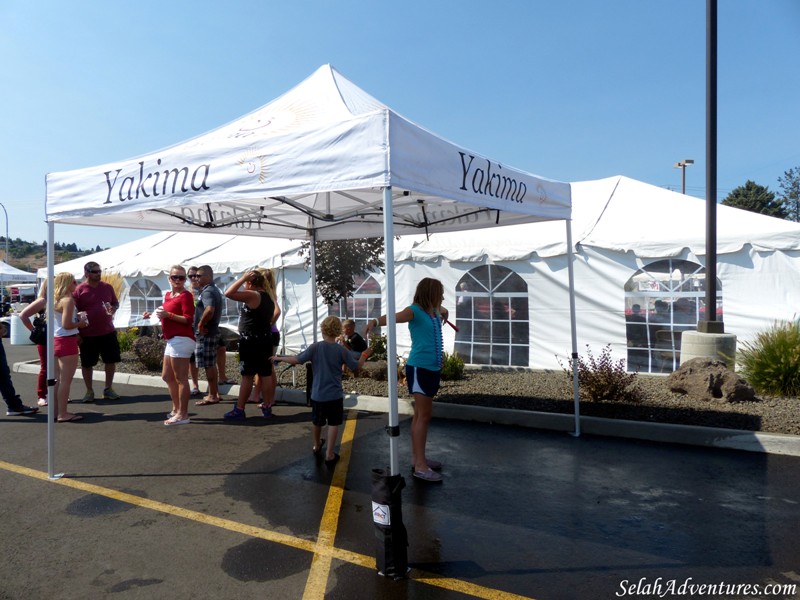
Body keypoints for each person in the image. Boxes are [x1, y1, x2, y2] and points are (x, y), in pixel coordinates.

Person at [364, 277, 448, 483]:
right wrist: (374, 322)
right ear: (431, 293)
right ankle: (420, 465)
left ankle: (418, 458)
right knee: (423, 416)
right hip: (419, 368)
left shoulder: (434, 311)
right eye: (440, 293)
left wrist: (445, 312)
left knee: (421, 415)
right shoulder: (415, 311)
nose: (443, 297)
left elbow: (443, 310)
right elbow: (394, 317)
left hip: (432, 368)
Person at [273, 316, 371, 466]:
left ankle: (316, 444)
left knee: (317, 422)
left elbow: (297, 360)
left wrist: (279, 358)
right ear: (338, 330)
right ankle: (330, 454)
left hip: (318, 394)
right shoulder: (341, 350)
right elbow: (356, 366)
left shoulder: (315, 347)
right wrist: (364, 354)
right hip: (334, 394)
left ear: (322, 329)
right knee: (333, 423)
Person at [144, 265, 195, 425]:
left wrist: (169, 315)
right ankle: (177, 408)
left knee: (181, 378)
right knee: (167, 376)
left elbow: (188, 319)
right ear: (169, 278)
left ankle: (183, 414)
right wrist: (152, 315)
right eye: (175, 277)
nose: (178, 280)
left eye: (181, 277)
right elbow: (165, 314)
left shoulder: (186, 296)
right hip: (172, 339)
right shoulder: (168, 295)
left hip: (182, 339)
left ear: (185, 279)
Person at [223, 270, 275, 421]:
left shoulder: (254, 295)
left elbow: (228, 293)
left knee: (247, 376)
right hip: (264, 339)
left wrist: (242, 278)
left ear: (250, 283)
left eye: (246, 283)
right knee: (265, 374)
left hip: (252, 341)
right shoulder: (268, 296)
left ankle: (239, 409)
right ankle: (267, 406)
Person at [73, 261, 121, 402]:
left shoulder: (107, 287)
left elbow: (115, 303)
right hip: (87, 334)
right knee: (87, 363)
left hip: (107, 331)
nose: (98, 274)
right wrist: (77, 332)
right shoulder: (80, 290)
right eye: (94, 271)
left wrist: (113, 309)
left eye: (99, 271)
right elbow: (73, 312)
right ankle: (89, 391)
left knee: (110, 361)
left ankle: (108, 389)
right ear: (86, 273)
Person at [53, 272, 89, 422]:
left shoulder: (56, 300)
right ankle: (63, 413)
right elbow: (67, 325)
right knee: (65, 381)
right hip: (67, 340)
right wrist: (80, 323)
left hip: (57, 339)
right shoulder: (68, 300)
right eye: (74, 281)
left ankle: (56, 411)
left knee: (57, 380)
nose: (76, 284)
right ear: (67, 283)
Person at [248, 267, 282, 417]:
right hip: (269, 333)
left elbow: (277, 311)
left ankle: (269, 398)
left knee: (268, 368)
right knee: (264, 368)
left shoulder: (268, 293)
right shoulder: (267, 292)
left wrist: (268, 324)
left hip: (270, 333)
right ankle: (258, 395)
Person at [193, 265, 224, 406]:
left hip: (207, 333)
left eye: (199, 276)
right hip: (211, 331)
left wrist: (200, 324)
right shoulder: (212, 290)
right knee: (211, 363)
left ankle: (212, 395)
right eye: (195, 276)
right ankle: (214, 393)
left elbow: (210, 309)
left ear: (209, 276)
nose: (196, 278)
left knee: (208, 364)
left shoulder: (208, 291)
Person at [19, 281, 48, 406]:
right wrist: (33, 330)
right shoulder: (43, 301)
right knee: (46, 367)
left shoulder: (60, 299)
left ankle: (56, 393)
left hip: (57, 337)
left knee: (58, 368)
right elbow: (23, 315)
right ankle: (42, 395)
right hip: (44, 338)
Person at [186, 266, 202, 397]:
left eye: (196, 275)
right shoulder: (186, 291)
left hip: (204, 325)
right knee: (192, 358)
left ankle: (221, 378)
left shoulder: (205, 289)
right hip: (191, 326)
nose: (194, 278)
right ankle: (195, 384)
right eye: (190, 276)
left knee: (220, 349)